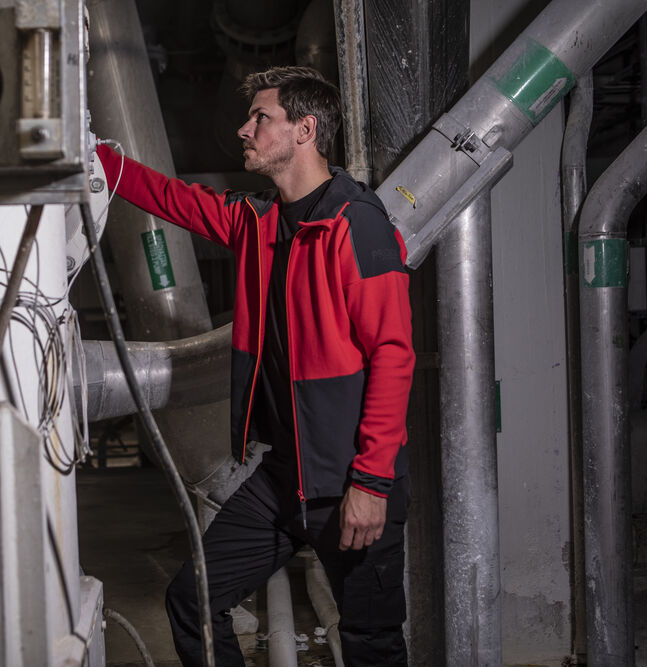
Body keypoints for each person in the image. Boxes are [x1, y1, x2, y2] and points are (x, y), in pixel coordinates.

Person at [94, 66, 415, 666]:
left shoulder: (356, 224)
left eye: (260, 118)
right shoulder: (258, 222)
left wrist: (372, 484)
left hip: (348, 480)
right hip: (283, 480)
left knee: (371, 644)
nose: (245, 129)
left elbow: (393, 355)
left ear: (304, 130)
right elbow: (173, 199)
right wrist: (96, 160)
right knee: (193, 601)